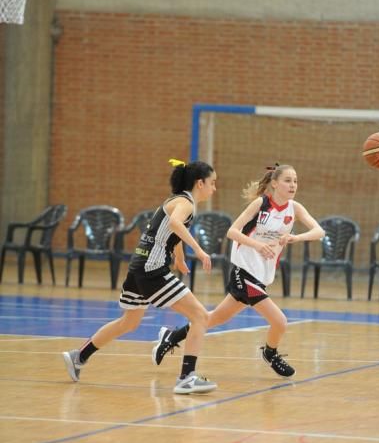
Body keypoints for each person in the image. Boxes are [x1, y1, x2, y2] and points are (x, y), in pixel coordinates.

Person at [152, 163, 325, 378]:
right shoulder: (260, 204)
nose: (293, 185)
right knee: (279, 321)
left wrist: (295, 237)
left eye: (295, 181)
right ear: (274, 183)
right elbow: (232, 232)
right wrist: (257, 245)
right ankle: (270, 353)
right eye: (288, 180)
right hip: (243, 270)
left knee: (213, 319)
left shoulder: (294, 208)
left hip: (261, 275)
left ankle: (172, 336)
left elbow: (319, 231)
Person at [62, 159, 218, 394]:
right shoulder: (186, 203)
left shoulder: (173, 200)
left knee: (129, 322)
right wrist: (198, 249)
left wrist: (179, 257)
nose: (214, 188)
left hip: (138, 266)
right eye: (213, 183)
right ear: (200, 183)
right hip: (152, 269)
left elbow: (168, 231)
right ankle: (187, 377)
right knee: (201, 317)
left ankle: (79, 356)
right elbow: (176, 223)